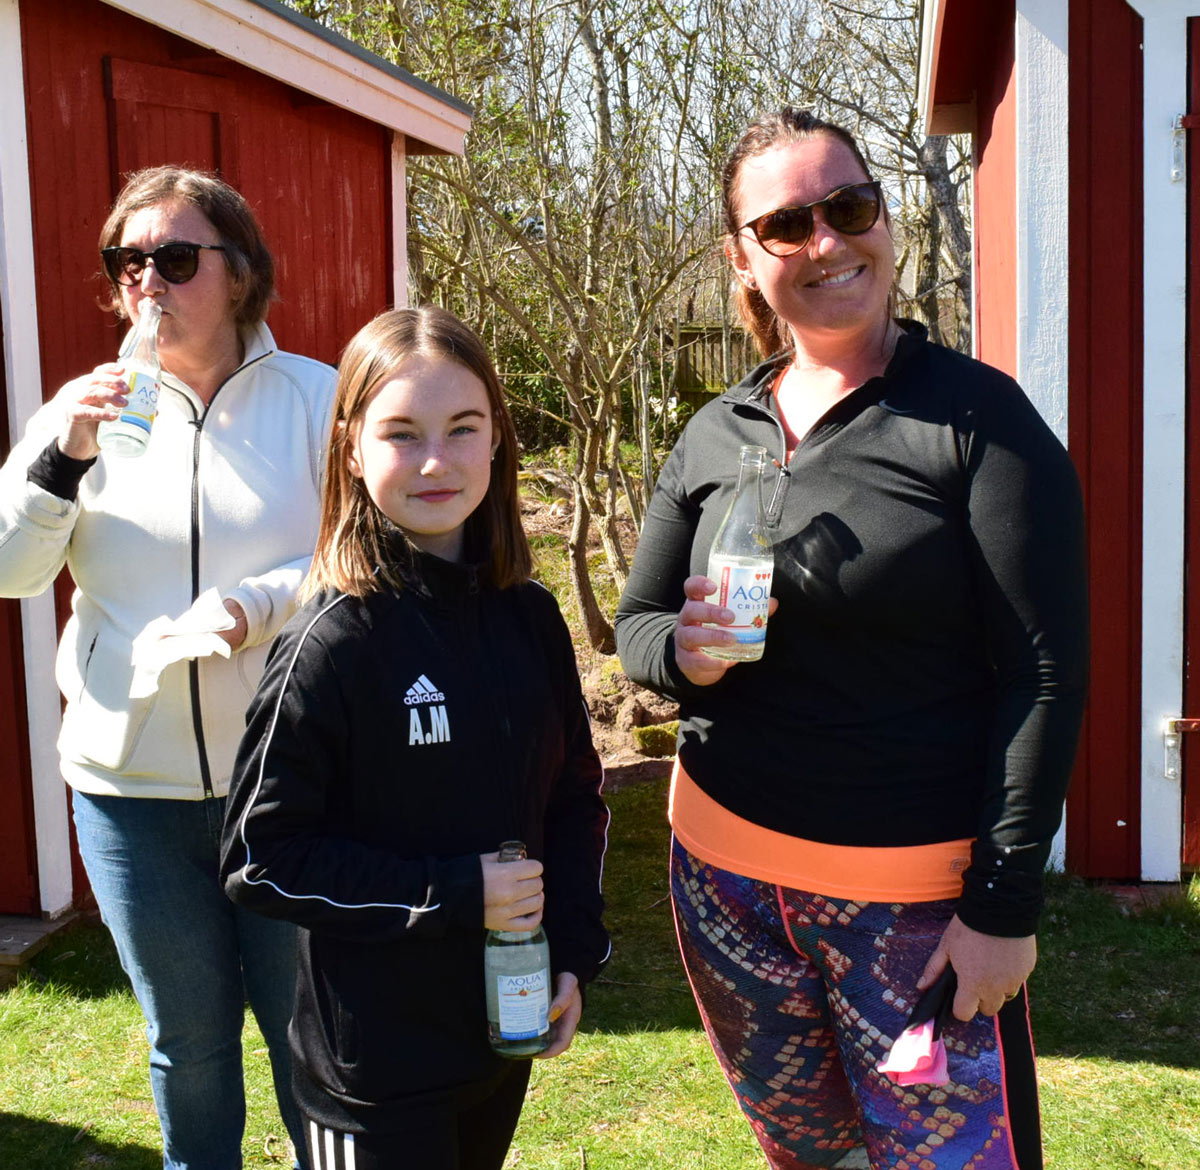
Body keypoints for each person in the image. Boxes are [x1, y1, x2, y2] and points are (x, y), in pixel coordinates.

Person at [615, 108, 1088, 1170]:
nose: (828, 240)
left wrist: (1003, 906)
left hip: (912, 913)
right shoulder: (717, 431)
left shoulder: (979, 422)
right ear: (742, 258)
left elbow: (1044, 675)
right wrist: (685, 653)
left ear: (885, 216)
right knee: (810, 1157)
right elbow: (639, 627)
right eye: (788, 224)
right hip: (726, 889)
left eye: (850, 205)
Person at [0, 166, 337, 1169]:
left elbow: (357, 557)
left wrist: (256, 605)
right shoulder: (81, 410)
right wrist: (64, 458)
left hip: (287, 786)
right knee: (187, 1045)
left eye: (177, 258)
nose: (148, 280)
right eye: (128, 262)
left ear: (240, 274)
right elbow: (12, 570)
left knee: (309, 1035)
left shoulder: (317, 398)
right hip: (129, 795)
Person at [220, 306, 610, 1170]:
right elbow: (261, 857)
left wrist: (572, 954)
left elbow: (573, 799)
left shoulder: (530, 617)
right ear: (351, 450)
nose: (436, 461)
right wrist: (454, 893)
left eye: (463, 427)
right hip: (373, 1077)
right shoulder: (331, 642)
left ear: (498, 438)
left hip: (500, 1039)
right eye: (401, 433)